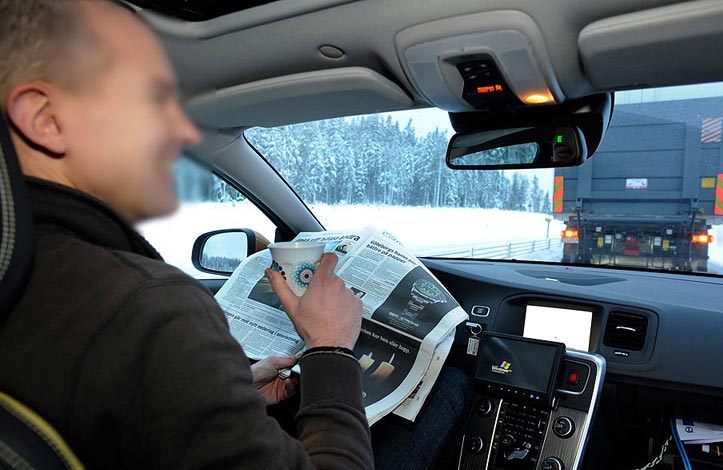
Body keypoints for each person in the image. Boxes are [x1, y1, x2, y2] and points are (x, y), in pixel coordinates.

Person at [0, 0, 469, 468]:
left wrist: (230, 389)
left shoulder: (40, 282)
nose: (181, 130)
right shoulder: (149, 310)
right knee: (452, 388)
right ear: (45, 118)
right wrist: (330, 347)